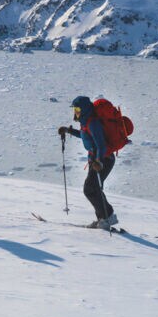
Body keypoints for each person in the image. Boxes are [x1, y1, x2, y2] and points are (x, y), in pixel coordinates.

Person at [58, 95, 118, 229]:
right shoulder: (86, 122)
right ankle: (104, 218)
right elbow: (84, 135)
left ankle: (107, 217)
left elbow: (101, 145)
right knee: (93, 188)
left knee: (90, 189)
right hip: (96, 160)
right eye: (74, 109)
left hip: (104, 160)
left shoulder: (93, 123)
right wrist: (68, 131)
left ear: (84, 109)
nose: (75, 111)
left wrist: (99, 161)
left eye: (77, 109)